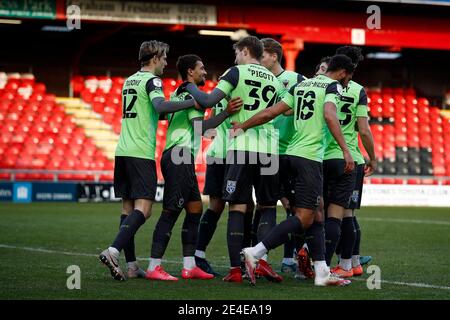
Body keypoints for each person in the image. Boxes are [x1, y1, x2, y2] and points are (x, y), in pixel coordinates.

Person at [236, 54, 356, 286]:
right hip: (308, 158)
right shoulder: (331, 86)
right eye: (348, 78)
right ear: (342, 72)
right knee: (304, 217)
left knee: (317, 211)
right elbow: (330, 115)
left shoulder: (302, 85)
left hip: (291, 155)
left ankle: (321, 272)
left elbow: (272, 112)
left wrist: (242, 125)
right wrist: (346, 150)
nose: (346, 82)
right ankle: (256, 252)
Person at [99, 41, 203, 281]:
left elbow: (159, 112)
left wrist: (175, 108)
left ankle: (133, 265)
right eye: (165, 58)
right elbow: (159, 105)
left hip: (122, 150)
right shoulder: (152, 81)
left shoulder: (129, 80)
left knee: (127, 210)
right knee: (144, 211)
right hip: (140, 152)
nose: (166, 63)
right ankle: (113, 251)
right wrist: (191, 102)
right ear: (155, 57)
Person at [184, 36, 282, 283]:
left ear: (245, 50)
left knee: (237, 207)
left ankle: (236, 270)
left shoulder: (235, 73)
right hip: (270, 148)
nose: (235, 56)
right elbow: (285, 108)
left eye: (237, 52)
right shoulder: (274, 78)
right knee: (267, 206)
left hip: (242, 146)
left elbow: (208, 101)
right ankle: (259, 261)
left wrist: (188, 85)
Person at [146, 54, 242, 281]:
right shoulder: (190, 92)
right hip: (178, 155)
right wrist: (227, 112)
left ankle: (189, 266)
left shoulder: (183, 93)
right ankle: (153, 266)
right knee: (171, 211)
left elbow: (203, 130)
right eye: (201, 68)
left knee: (195, 209)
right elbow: (203, 127)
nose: (205, 72)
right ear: (190, 71)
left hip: (183, 156)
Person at [326, 46, 376, 278]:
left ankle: (341, 264)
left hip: (327, 154)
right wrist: (372, 157)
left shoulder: (326, 84)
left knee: (334, 213)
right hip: (353, 158)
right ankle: (352, 262)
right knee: (349, 213)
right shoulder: (358, 91)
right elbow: (364, 130)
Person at [259, 38, 306, 275]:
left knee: (293, 207)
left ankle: (291, 257)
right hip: (265, 151)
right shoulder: (257, 79)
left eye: (263, 55)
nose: (259, 59)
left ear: (274, 56)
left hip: (288, 152)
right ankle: (260, 256)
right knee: (264, 204)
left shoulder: (297, 80)